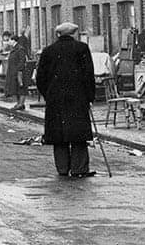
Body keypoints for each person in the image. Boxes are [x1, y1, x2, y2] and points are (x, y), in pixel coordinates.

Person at [35, 22, 96, 178]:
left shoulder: (48, 51)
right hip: (78, 97)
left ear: (58, 34)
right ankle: (79, 168)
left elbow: (40, 77)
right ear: (74, 34)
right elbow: (88, 74)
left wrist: (47, 94)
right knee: (78, 134)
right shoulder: (82, 48)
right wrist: (90, 96)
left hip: (55, 98)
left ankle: (62, 168)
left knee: (58, 135)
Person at [6, 34, 27, 110]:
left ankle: (21, 104)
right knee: (16, 88)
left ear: (13, 40)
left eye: (9, 40)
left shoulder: (20, 49)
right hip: (14, 71)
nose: (8, 42)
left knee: (21, 88)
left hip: (19, 72)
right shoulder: (14, 48)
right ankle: (19, 103)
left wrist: (19, 70)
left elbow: (22, 60)